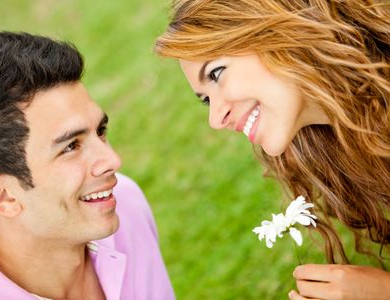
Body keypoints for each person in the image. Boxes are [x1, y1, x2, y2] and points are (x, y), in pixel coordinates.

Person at [155, 0, 390, 299]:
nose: (215, 118)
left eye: (216, 74)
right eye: (205, 99)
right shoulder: (342, 147)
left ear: (272, 29)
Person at [0, 31, 175, 300]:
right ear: (0, 194)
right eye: (70, 146)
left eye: (100, 131)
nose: (113, 161)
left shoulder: (124, 204)